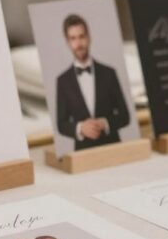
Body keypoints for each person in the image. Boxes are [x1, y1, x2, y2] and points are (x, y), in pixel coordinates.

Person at [54, 14, 131, 151]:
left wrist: (105, 123)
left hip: (113, 149)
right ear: (68, 42)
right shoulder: (62, 81)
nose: (79, 43)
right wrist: (80, 128)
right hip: (82, 155)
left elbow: (125, 116)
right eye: (73, 38)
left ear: (89, 37)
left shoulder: (109, 73)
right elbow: (61, 124)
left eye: (82, 36)